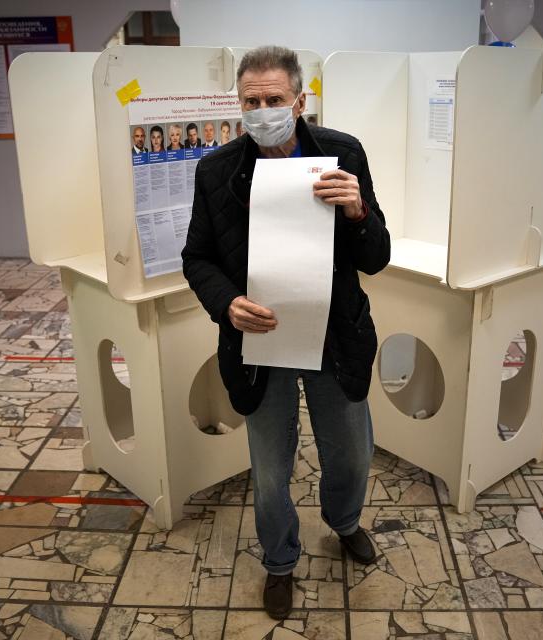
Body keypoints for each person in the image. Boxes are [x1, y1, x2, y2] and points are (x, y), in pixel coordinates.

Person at [182, 45, 390, 621]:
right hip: (259, 343)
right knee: (271, 468)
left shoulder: (342, 154)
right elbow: (197, 258)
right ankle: (279, 561)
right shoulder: (217, 170)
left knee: (350, 453)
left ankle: (344, 523)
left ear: (300, 100)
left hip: (333, 335)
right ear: (239, 104)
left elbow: (375, 257)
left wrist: (357, 212)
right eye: (252, 101)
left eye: (275, 99)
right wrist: (227, 304)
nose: (263, 110)